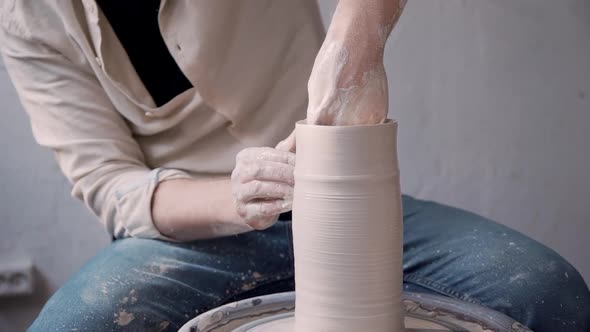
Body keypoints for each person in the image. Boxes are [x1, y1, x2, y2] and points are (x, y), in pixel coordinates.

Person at [0, 1, 588, 331]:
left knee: (549, 293)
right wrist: (233, 199)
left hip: (343, 203)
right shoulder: (27, 15)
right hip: (191, 234)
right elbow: (109, 183)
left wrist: (356, 40)